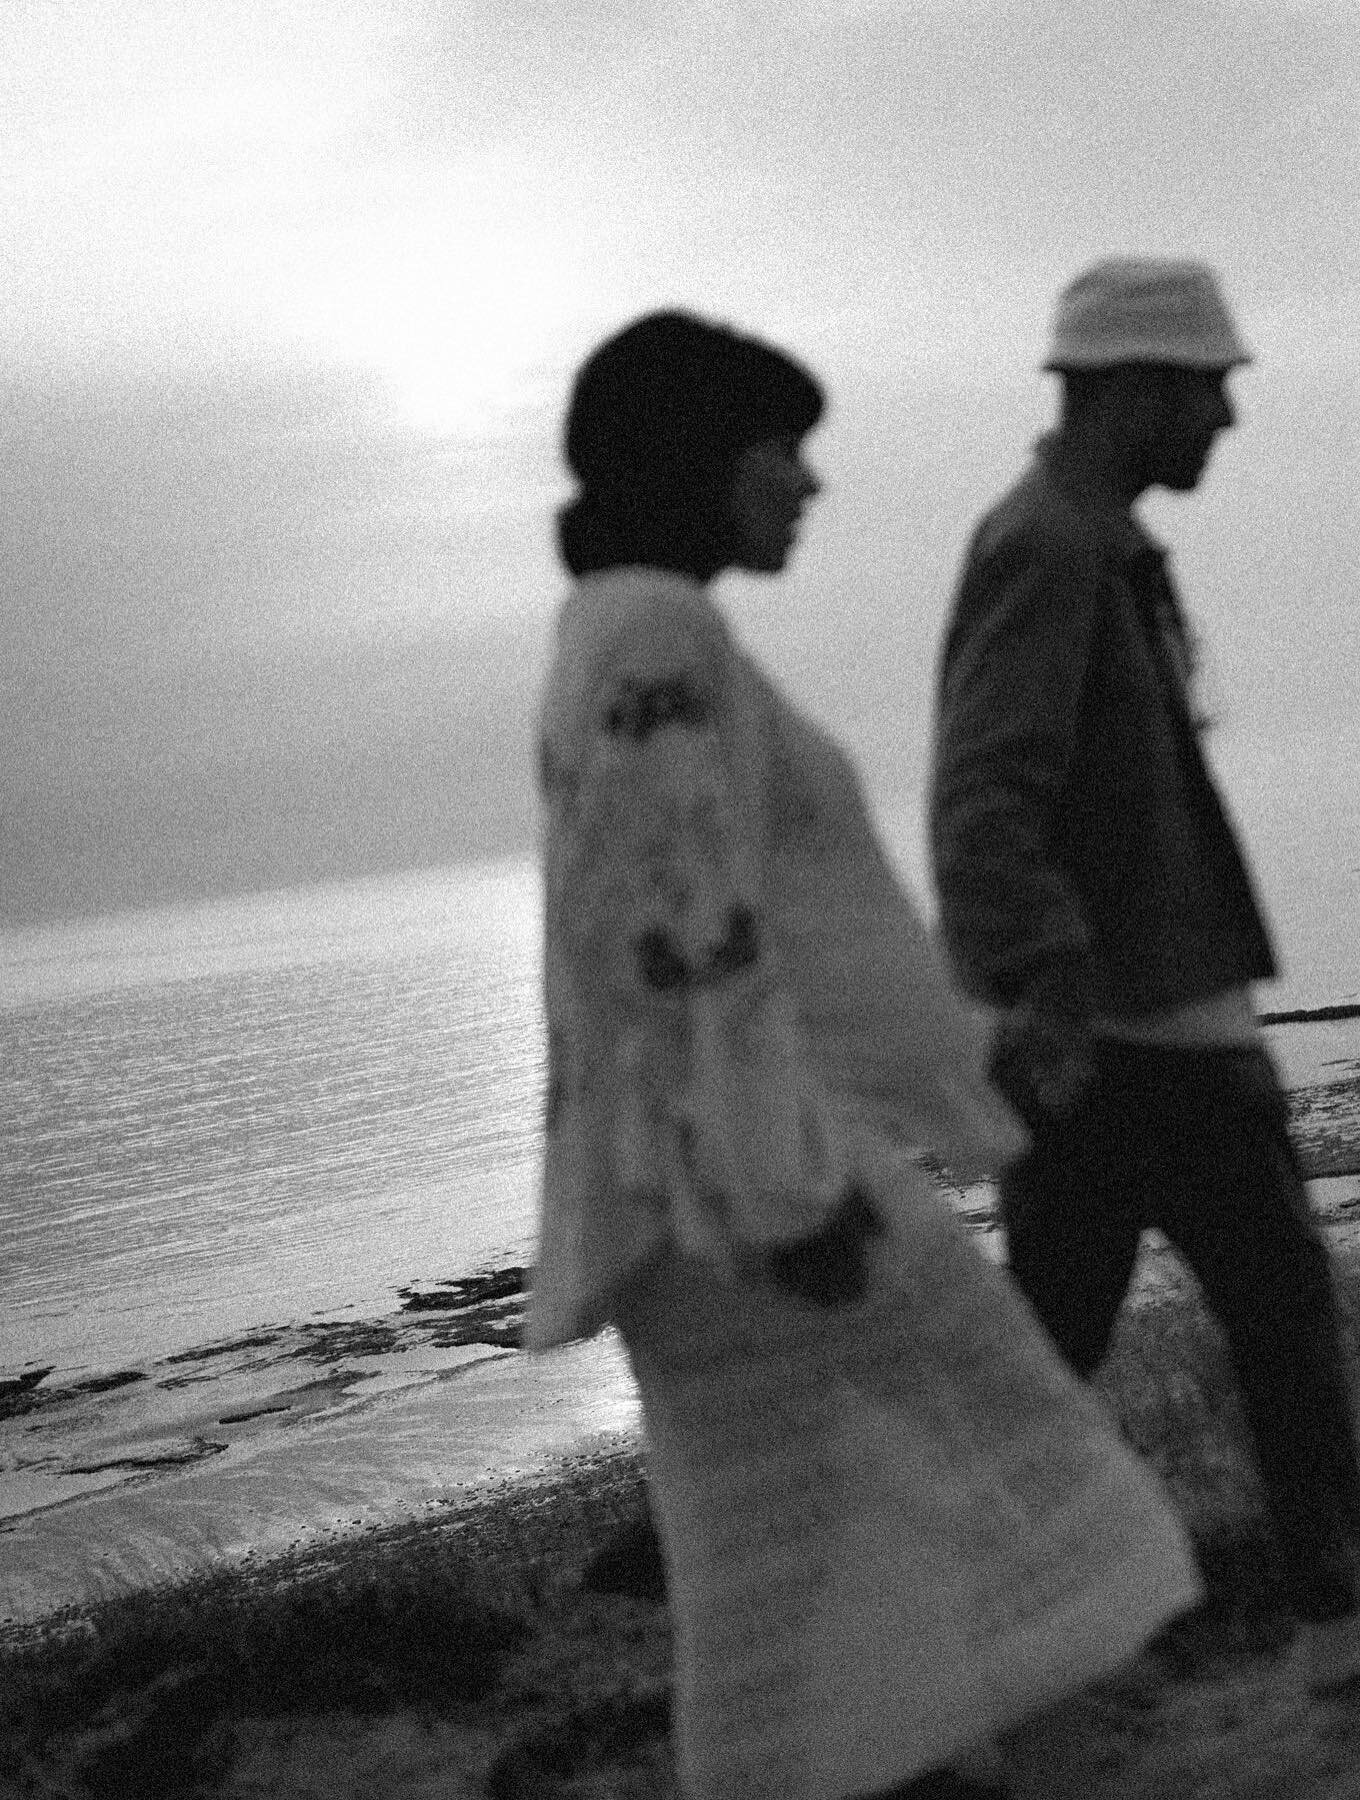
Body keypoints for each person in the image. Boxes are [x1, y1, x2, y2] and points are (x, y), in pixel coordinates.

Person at [529, 308, 1200, 1800]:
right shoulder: (654, 634)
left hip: (709, 1192)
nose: (808, 483)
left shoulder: (619, 630)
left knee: (837, 1578)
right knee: (1028, 1507)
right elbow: (677, 931)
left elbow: (726, 926)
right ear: (701, 464)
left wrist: (965, 1049)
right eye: (783, 449)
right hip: (755, 1200)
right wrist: (784, 1189)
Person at [929, 256, 1360, 1693]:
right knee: (1250, 1321)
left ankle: (1017, 1623)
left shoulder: (1092, 538)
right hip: (1130, 1036)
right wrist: (1051, 996)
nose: (1229, 417)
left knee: (1078, 1354)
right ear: (1136, 389)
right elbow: (982, 800)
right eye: (1214, 386)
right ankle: (1316, 1597)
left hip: (1151, 1021)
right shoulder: (1048, 545)